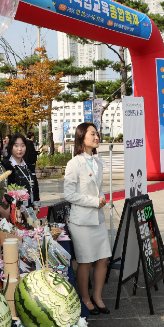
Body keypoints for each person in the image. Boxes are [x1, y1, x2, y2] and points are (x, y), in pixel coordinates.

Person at [64, 123, 110, 316]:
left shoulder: (98, 162)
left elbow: (96, 189)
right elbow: (69, 194)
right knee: (85, 261)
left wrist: (101, 199)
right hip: (81, 221)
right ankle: (85, 298)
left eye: (97, 133)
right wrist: (94, 201)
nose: (97, 137)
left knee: (103, 258)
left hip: (97, 218)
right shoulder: (74, 163)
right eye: (93, 134)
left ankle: (97, 296)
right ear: (82, 137)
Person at [3, 133, 40, 209]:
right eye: (16, 146)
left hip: (31, 210)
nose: (19, 149)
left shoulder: (29, 167)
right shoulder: (6, 167)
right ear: (10, 147)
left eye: (22, 146)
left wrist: (36, 208)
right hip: (15, 212)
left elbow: (36, 188)